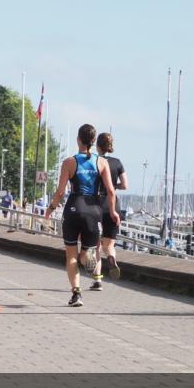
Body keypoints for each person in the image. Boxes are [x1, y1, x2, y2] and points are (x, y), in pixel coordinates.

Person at [45, 124, 119, 308]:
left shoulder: (69, 162)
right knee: (86, 252)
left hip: (73, 208)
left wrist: (51, 208)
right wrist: (112, 211)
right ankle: (87, 259)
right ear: (93, 141)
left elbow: (60, 192)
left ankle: (76, 294)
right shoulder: (101, 162)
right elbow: (111, 191)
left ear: (78, 139)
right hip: (94, 211)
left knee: (71, 255)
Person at [90, 132, 127, 290]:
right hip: (113, 206)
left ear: (97, 146)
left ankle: (97, 280)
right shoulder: (117, 162)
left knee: (96, 245)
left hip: (97, 205)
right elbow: (125, 185)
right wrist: (112, 185)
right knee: (109, 245)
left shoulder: (94, 161)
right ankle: (111, 257)